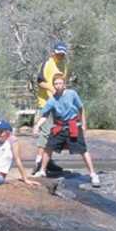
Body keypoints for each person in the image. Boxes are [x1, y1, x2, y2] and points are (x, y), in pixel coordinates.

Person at [32, 74, 101, 187]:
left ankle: (93, 174)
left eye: (60, 83)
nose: (58, 86)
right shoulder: (52, 99)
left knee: (83, 150)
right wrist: (36, 126)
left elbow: (81, 108)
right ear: (53, 85)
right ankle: (42, 171)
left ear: (64, 84)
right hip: (59, 126)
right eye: (56, 84)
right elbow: (45, 115)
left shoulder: (72, 94)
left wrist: (84, 124)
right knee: (48, 147)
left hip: (73, 125)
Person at [34, 41, 70, 175]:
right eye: (58, 54)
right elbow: (40, 81)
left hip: (58, 104)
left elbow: (63, 83)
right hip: (46, 103)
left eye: (62, 54)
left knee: (54, 133)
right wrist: (51, 89)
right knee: (46, 133)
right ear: (53, 53)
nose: (60, 56)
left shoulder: (64, 65)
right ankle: (38, 162)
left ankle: (48, 161)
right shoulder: (47, 64)